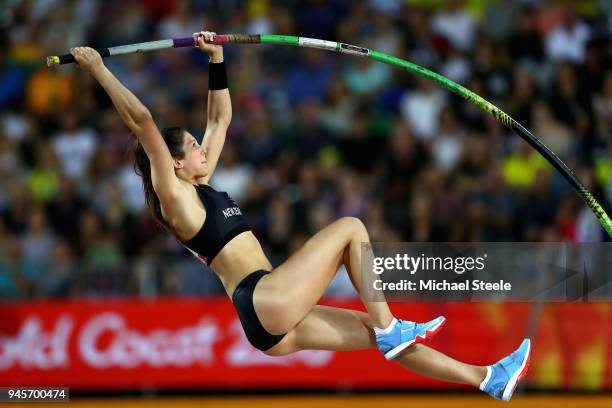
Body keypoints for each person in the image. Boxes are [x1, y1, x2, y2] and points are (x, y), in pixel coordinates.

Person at [69, 31, 530, 401]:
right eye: (190, 146)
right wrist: (98, 70)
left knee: (376, 336)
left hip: (271, 313)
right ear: (172, 165)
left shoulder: (201, 185)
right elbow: (143, 121)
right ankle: (391, 327)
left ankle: (486, 377)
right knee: (351, 228)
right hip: (262, 298)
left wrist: (215, 60)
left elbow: (220, 120)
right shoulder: (177, 198)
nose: (200, 148)